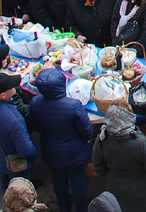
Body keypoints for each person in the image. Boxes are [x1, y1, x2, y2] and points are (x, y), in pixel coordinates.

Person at [31, 68, 94, 212]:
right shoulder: (73, 105)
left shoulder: (35, 102)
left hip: (51, 150)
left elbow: (34, 125)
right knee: (78, 181)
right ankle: (81, 208)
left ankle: (64, 207)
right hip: (75, 152)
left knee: (58, 178)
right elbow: (87, 131)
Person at [91, 106, 146, 212]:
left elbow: (99, 169)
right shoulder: (139, 143)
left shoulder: (102, 140)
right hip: (144, 194)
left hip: (116, 191)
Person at [0, 72, 35, 190]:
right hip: (15, 162)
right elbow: (26, 149)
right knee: (20, 190)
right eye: (11, 87)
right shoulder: (14, 120)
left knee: (5, 181)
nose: (14, 88)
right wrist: (35, 153)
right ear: (2, 95)